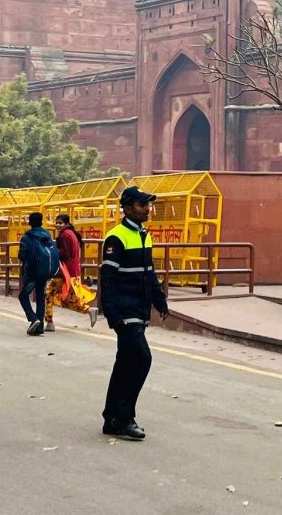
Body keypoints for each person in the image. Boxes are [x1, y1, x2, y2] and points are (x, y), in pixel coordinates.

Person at [99, 185, 169, 440]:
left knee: (125, 363)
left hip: (138, 309)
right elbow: (107, 279)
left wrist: (160, 302)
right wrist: (112, 314)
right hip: (124, 311)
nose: (147, 209)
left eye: (148, 204)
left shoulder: (144, 235)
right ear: (127, 208)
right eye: (142, 205)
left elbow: (150, 273)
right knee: (141, 359)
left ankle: (111, 418)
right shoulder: (116, 237)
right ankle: (125, 417)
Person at [44, 213, 96, 328]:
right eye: (56, 223)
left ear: (66, 223)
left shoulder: (64, 235)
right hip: (72, 271)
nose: (57, 225)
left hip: (64, 272)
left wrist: (52, 250)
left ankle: (49, 322)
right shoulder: (71, 233)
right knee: (68, 300)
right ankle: (89, 310)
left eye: (60, 223)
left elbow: (64, 254)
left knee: (48, 293)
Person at [18, 212, 57, 335]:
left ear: (30, 222)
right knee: (40, 296)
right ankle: (39, 328)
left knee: (23, 296)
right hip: (45, 272)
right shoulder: (47, 235)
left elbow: (23, 255)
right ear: (41, 222)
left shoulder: (27, 237)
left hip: (32, 272)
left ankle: (33, 318)